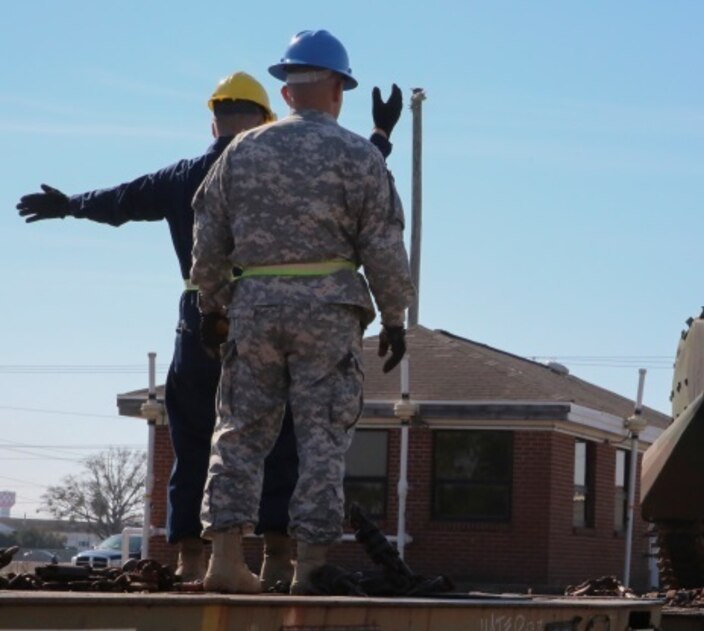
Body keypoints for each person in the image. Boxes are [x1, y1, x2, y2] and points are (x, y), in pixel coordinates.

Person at [14, 70, 403, 589]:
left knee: (202, 439)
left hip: (202, 316)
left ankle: (195, 562)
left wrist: (69, 205)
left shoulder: (185, 175)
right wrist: (380, 137)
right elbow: (342, 175)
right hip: (272, 311)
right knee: (287, 438)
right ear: (269, 117)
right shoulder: (268, 160)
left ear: (212, 117)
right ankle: (279, 559)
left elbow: (122, 201)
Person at [190, 29, 415, 594]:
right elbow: (385, 245)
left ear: (286, 93)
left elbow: (208, 235)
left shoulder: (243, 151)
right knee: (322, 439)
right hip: (328, 313)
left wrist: (213, 304)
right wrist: (394, 318)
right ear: (338, 90)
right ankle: (308, 568)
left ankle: (224, 563)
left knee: (238, 431)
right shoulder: (360, 156)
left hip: (254, 309)